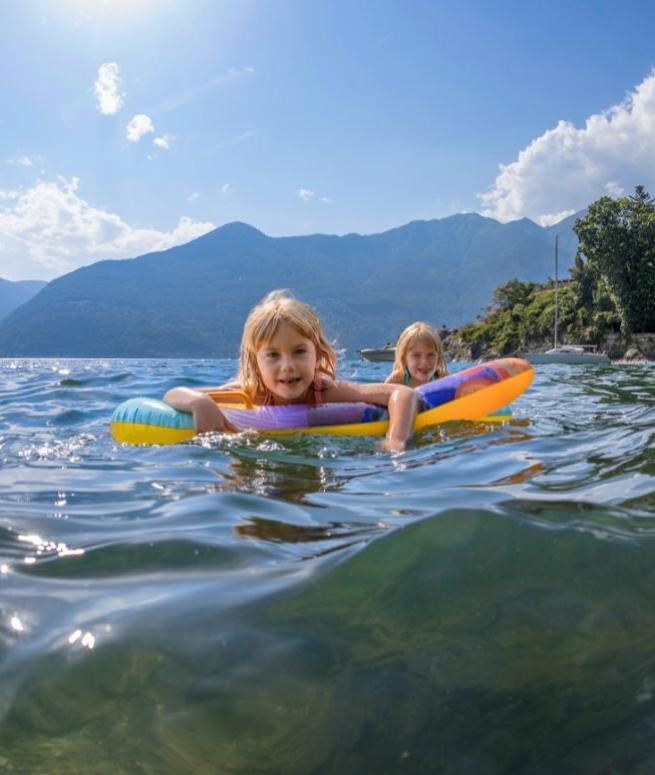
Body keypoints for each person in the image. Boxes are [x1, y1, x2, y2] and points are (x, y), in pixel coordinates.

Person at [164, 290, 418, 451]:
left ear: (316, 354)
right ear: (256, 363)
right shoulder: (250, 393)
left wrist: (395, 439)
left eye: (299, 352)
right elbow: (172, 395)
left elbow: (402, 394)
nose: (287, 366)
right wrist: (200, 403)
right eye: (273, 355)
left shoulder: (322, 391)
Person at [385, 322, 447, 388]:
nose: (424, 362)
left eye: (430, 355)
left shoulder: (442, 379)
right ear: (404, 358)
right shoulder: (397, 380)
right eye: (416, 355)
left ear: (438, 357)